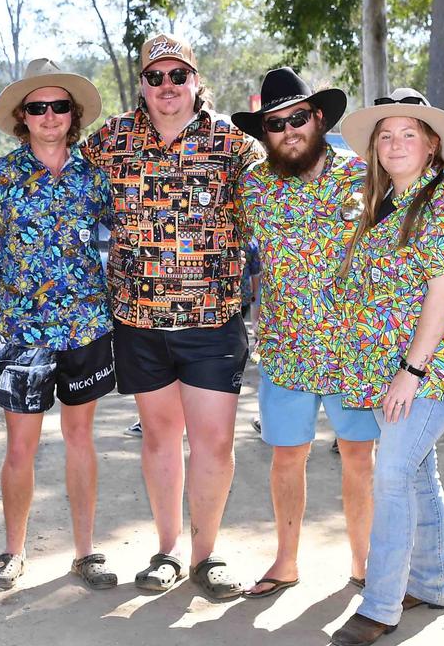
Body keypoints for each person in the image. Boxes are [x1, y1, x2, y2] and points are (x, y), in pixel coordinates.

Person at [81, 33, 262, 600]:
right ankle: (168, 551)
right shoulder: (110, 140)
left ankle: (208, 553)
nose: (166, 88)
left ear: (195, 81)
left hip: (213, 321)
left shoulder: (232, 144)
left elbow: (279, 197)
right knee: (160, 438)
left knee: (214, 443)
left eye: (177, 76)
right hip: (138, 319)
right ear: (141, 84)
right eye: (155, 77)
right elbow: (60, 177)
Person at [329, 89, 444, 646]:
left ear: (432, 144)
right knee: (416, 471)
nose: (394, 143)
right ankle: (434, 581)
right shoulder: (380, 200)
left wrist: (410, 372)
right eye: (385, 135)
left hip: (428, 367)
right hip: (387, 366)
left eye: (407, 133)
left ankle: (381, 603)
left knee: (390, 473)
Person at [232, 67, 376, 598]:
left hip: (352, 351)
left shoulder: (363, 176)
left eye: (297, 118)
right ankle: (285, 562)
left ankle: (364, 566)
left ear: (317, 117)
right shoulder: (253, 187)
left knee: (359, 456)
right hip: (286, 350)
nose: (288, 130)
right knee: (286, 454)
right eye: (275, 124)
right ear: (264, 132)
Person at [0, 58, 118, 591]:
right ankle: (13, 552)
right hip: (23, 333)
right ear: (23, 115)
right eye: (38, 107)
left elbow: (122, 239)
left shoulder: (95, 177)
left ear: (73, 114)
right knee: (20, 447)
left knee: (80, 438)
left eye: (60, 106)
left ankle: (85, 553)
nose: (50, 115)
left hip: (85, 326)